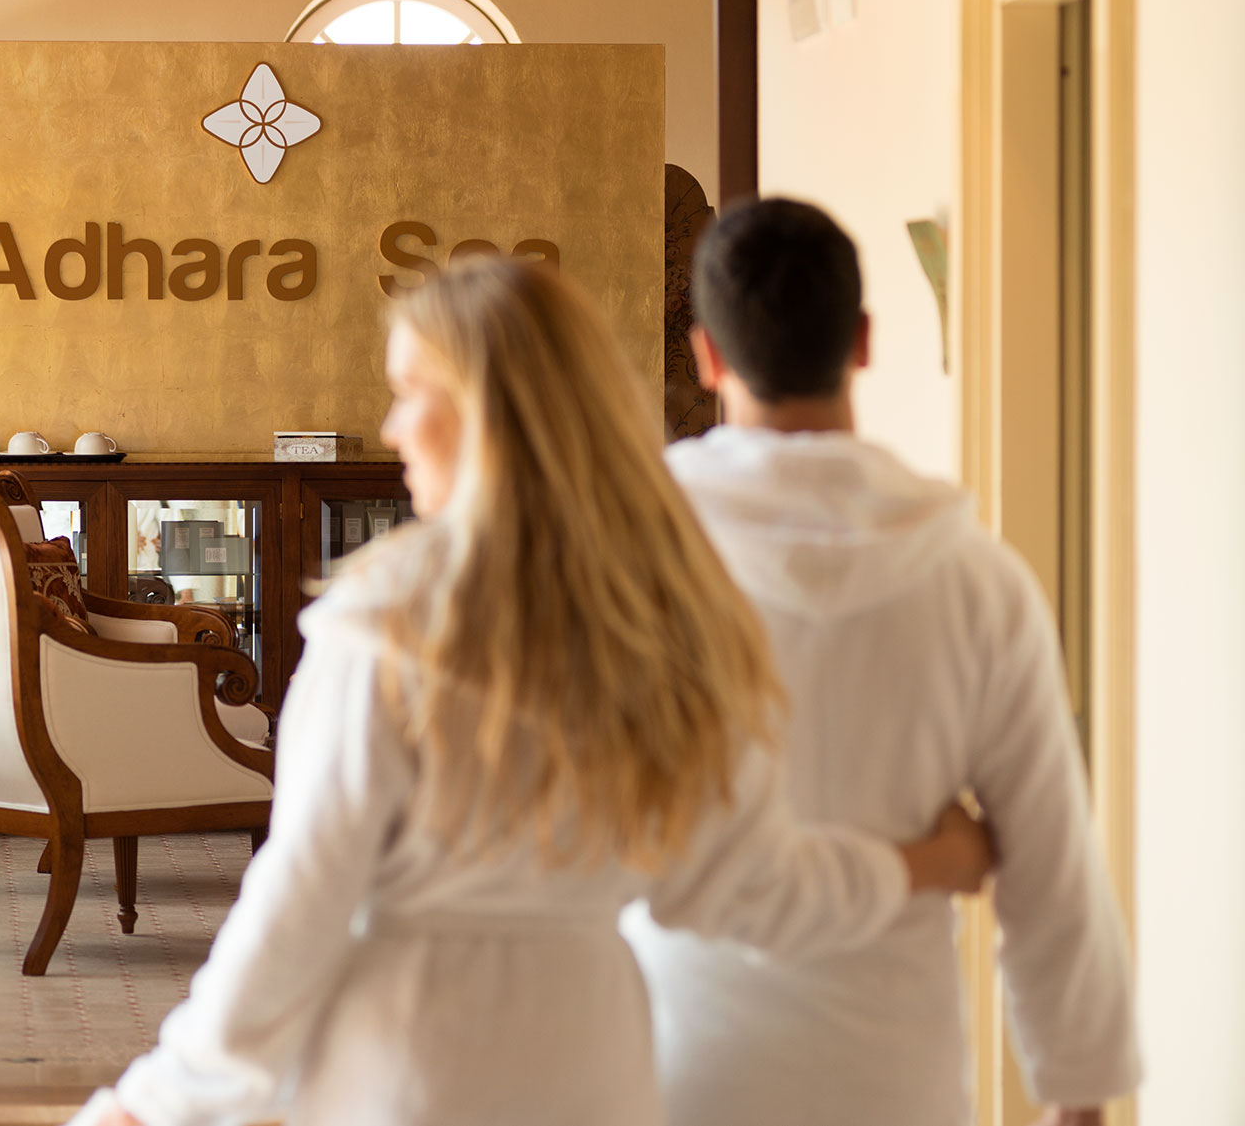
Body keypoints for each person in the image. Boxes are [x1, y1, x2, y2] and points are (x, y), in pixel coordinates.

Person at [72, 259, 994, 1126]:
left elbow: (298, 901)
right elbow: (746, 888)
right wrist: (924, 862)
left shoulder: (392, 622)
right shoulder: (674, 621)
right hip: (597, 1061)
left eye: (410, 394)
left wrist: (159, 1098)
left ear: (489, 411)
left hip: (413, 1059)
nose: (391, 428)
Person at [623, 198, 1141, 1126]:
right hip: (893, 1072)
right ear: (862, 341)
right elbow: (1052, 856)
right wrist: (1078, 1093)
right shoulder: (975, 579)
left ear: (705, 357)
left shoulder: (635, 571)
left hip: (676, 1056)